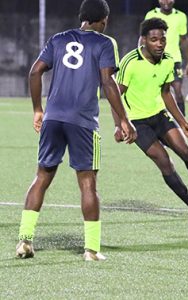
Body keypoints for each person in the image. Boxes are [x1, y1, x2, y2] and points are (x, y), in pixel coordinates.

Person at [15, 0, 137, 261]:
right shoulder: (105, 43)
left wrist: (38, 109)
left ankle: (25, 241)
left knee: (41, 178)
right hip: (82, 122)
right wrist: (124, 120)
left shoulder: (59, 39)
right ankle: (91, 249)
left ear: (82, 17)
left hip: (52, 118)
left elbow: (35, 72)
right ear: (104, 20)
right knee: (87, 184)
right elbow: (108, 81)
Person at [114, 18, 188, 213]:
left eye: (162, 39)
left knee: (187, 152)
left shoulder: (168, 60)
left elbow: (166, 93)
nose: (159, 43)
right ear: (143, 40)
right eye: (154, 39)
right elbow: (115, 95)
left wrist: (183, 122)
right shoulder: (130, 62)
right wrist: (121, 124)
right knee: (165, 162)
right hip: (137, 123)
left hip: (160, 116)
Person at [144, 0, 188, 116]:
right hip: (155, 59)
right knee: (152, 91)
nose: (166, 1)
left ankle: (182, 123)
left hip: (174, 60)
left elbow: (184, 39)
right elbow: (143, 38)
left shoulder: (180, 16)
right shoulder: (151, 15)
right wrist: (142, 57)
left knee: (178, 91)